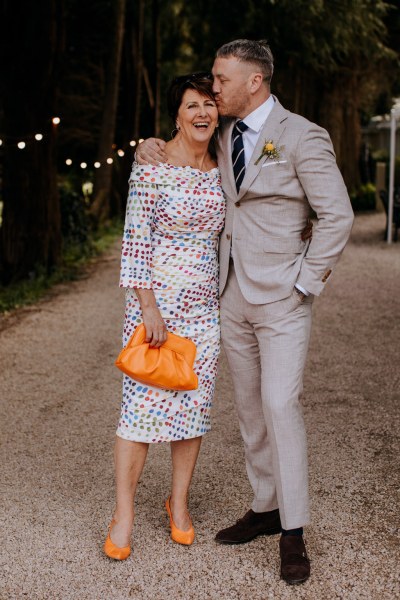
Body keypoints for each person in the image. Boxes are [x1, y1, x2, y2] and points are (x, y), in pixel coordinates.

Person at [136, 39, 354, 584]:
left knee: (282, 406)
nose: (213, 88)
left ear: (253, 81)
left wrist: (304, 283)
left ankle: (294, 531)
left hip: (283, 298)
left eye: (220, 78)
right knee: (252, 413)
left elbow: (338, 216)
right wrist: (147, 145)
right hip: (229, 297)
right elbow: (182, 151)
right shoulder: (225, 131)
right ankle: (265, 506)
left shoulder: (303, 136)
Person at [104, 72, 225, 560]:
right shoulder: (151, 166)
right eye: (191, 105)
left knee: (192, 411)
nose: (201, 114)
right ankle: (124, 513)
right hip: (155, 308)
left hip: (204, 312)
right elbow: (135, 241)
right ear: (175, 114)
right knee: (139, 412)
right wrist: (147, 307)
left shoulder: (224, 167)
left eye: (209, 104)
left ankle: (178, 504)